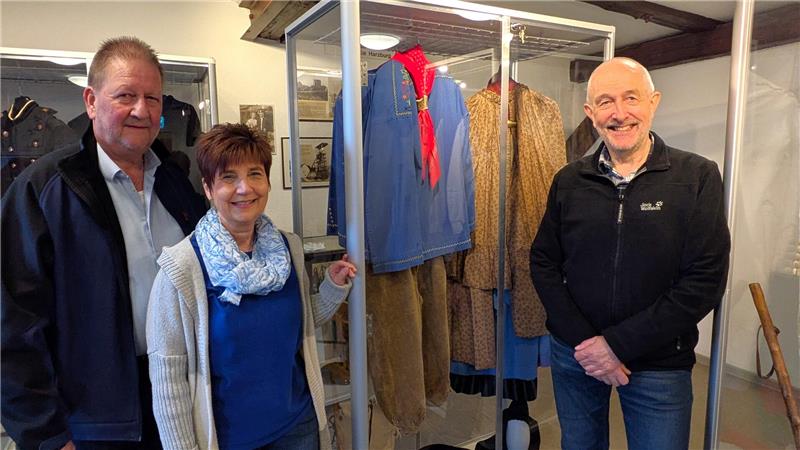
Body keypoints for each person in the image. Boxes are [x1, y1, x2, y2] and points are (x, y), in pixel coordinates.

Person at [1, 37, 206, 450]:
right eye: (125, 95)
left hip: (182, 400)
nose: (142, 110)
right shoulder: (42, 191)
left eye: (152, 98)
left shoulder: (176, 182)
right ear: (92, 101)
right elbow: (12, 324)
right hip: (94, 421)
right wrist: (45, 434)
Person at [530, 57, 730, 450]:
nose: (619, 113)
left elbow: (705, 279)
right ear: (590, 113)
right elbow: (544, 262)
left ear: (653, 102)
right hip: (577, 354)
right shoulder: (569, 180)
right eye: (605, 102)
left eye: (631, 98)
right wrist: (587, 343)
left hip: (659, 363)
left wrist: (616, 345)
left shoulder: (697, 176)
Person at [146, 123, 356, 450]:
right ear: (208, 188)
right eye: (229, 177)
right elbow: (168, 382)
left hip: (297, 427)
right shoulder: (182, 267)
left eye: (255, 174)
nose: (245, 188)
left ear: (267, 182)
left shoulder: (288, 248)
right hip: (231, 440)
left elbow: (299, 324)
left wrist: (333, 287)